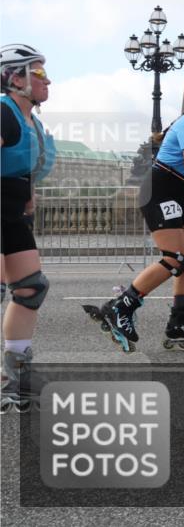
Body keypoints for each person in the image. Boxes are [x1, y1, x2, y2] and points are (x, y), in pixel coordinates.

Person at [84, 75, 184, 352]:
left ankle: (179, 321)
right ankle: (122, 308)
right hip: (161, 191)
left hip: (178, 192)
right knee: (174, 258)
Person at [0, 44, 56, 413]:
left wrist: (29, 201)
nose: (47, 80)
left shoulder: (30, 121)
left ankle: (15, 378)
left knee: (31, 288)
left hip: (12, 210)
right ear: (14, 77)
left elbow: (24, 168)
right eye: (38, 73)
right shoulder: (3, 113)